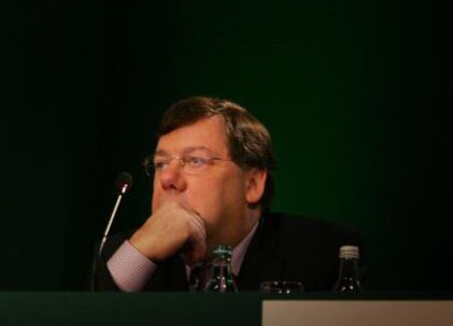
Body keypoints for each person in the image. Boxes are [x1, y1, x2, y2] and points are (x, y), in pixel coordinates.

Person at [96, 96, 365, 292]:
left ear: (252, 185)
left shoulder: (321, 253)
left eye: (195, 161)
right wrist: (140, 255)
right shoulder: (128, 252)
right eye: (161, 163)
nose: (167, 178)